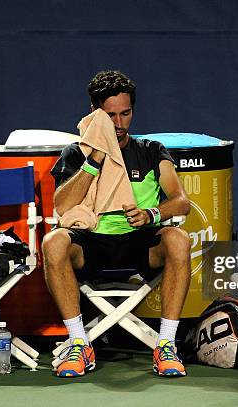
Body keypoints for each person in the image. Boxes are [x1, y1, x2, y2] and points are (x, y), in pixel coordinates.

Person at [43, 70, 191, 377]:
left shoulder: (151, 151)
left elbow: (181, 202)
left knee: (178, 238)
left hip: (140, 242)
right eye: (110, 115)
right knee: (52, 242)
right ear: (96, 114)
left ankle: (166, 345)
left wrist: (150, 215)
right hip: (92, 244)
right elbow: (63, 206)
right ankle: (79, 344)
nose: (119, 124)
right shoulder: (76, 153)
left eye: (126, 113)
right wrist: (95, 159)